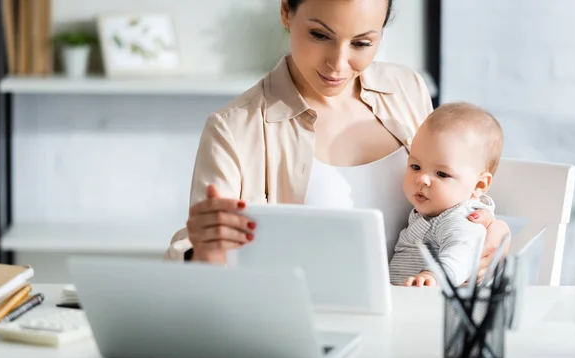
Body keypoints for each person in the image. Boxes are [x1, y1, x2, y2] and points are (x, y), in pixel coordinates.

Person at [164, 0, 510, 280]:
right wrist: (206, 251)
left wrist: (491, 229)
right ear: (286, 10)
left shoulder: (407, 89)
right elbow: (194, 256)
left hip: (417, 321)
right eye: (319, 35)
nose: (338, 64)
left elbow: (455, 193)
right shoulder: (234, 128)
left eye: (362, 43)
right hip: (309, 325)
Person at [389, 102, 503, 287]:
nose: (422, 179)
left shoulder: (461, 218)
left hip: (435, 307)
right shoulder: (433, 212)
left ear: (479, 184)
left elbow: (462, 252)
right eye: (415, 167)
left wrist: (433, 276)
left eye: (442, 174)